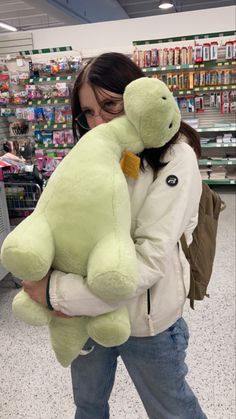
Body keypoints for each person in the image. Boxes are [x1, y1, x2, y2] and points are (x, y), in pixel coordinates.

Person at [23, 52, 207, 419]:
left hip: (146, 323)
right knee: (88, 407)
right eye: (88, 112)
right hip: (84, 321)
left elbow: (150, 257)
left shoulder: (177, 158)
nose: (98, 122)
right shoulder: (96, 154)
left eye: (110, 105)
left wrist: (55, 292)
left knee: (173, 411)